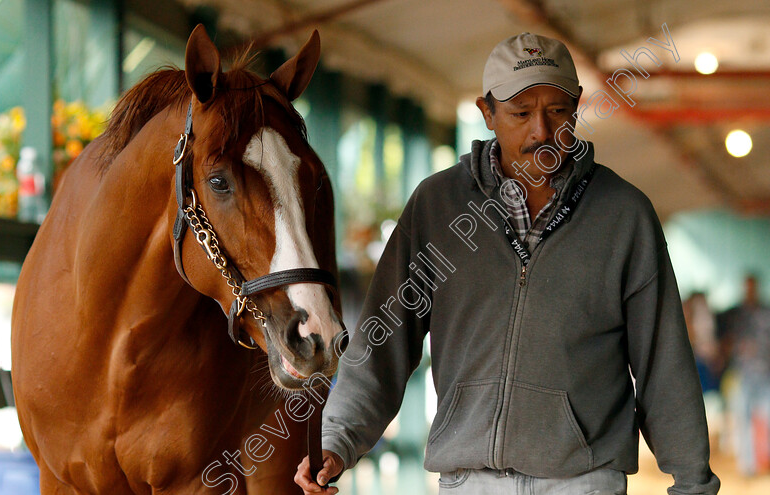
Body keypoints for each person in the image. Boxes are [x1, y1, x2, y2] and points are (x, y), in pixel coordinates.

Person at [295, 32, 720, 494]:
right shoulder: (437, 207)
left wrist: (693, 482)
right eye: (520, 113)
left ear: (577, 105)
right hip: (468, 481)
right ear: (487, 113)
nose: (541, 130)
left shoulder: (624, 215)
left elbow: (664, 364)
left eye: (557, 110)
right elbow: (381, 347)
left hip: (583, 483)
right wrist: (337, 440)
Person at [718, 274, 770, 475]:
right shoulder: (734, 314)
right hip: (742, 374)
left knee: (766, 416)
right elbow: (722, 339)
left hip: (766, 373)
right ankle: (748, 465)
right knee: (743, 417)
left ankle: (764, 459)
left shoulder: (765, 312)